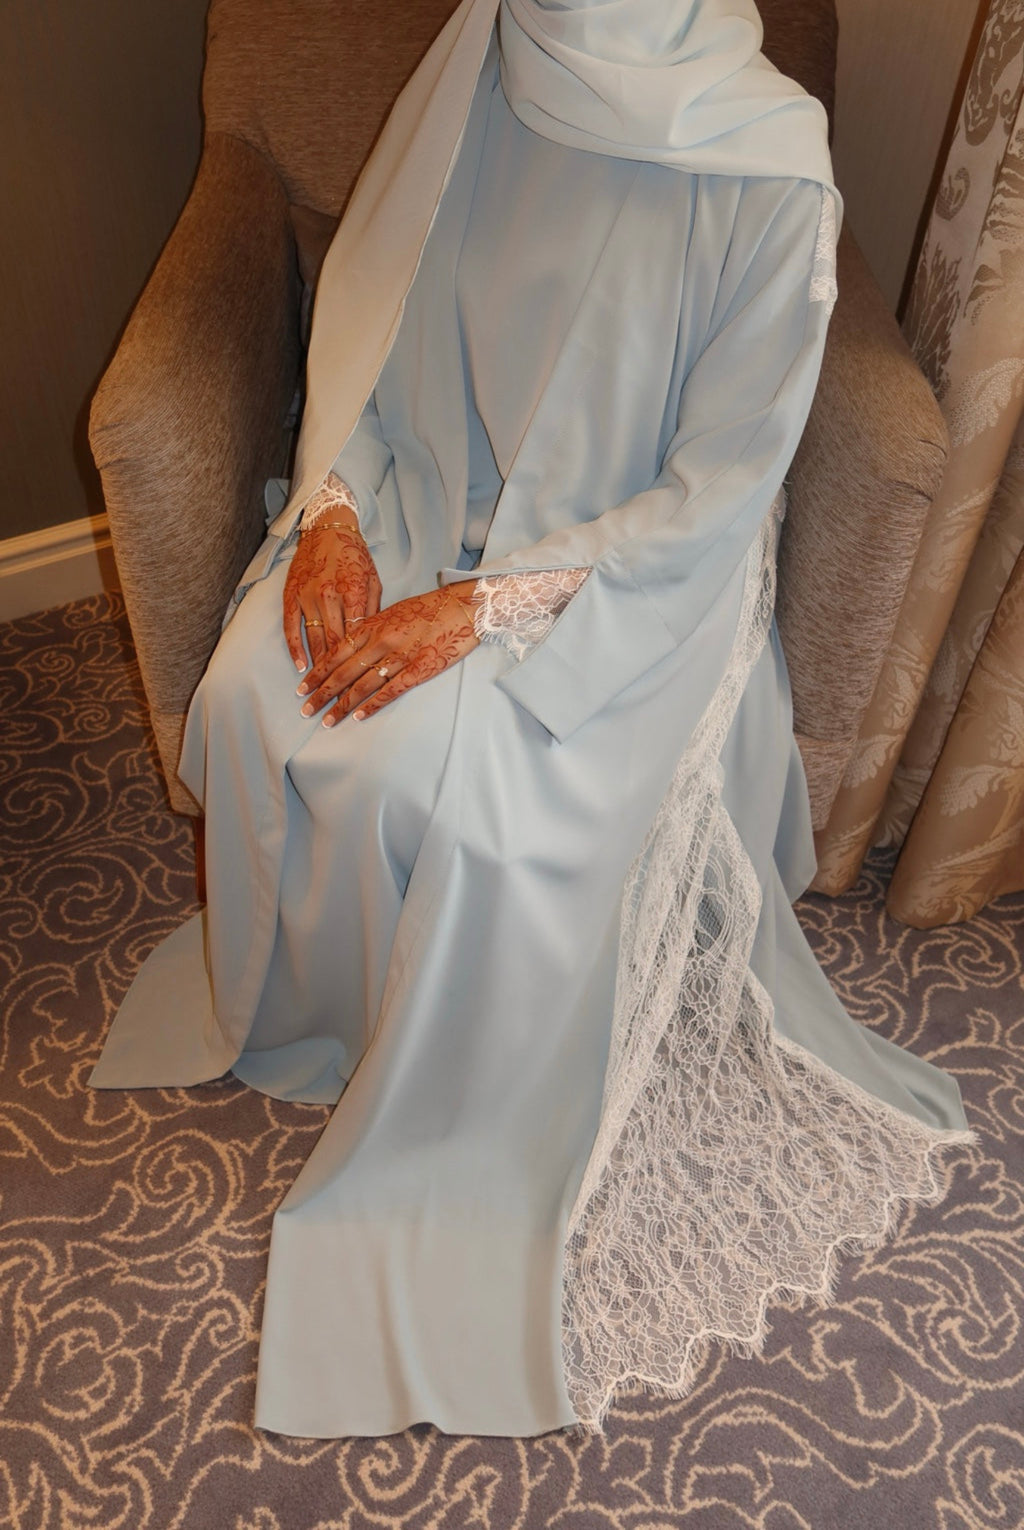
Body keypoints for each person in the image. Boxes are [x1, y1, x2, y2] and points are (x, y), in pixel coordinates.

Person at [91, 0, 972, 1439]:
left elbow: (713, 499)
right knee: (259, 690)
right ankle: (325, 1016)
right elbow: (372, 330)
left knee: (465, 796)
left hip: (620, 586)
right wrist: (325, 515)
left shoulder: (770, 160)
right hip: (414, 497)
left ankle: (452, 1120)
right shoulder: (488, 59)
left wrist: (477, 610)